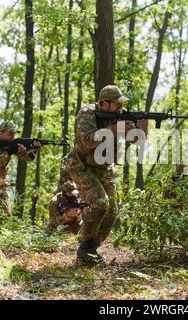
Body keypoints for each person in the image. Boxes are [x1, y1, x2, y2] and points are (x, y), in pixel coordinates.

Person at [64, 85, 148, 266]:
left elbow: (136, 140)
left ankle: (91, 250)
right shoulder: (87, 113)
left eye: (121, 104)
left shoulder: (120, 114)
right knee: (100, 204)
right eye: (117, 104)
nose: (120, 108)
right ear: (104, 103)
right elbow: (86, 140)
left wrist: (141, 130)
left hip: (104, 166)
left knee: (112, 211)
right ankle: (85, 247)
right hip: (82, 164)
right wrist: (114, 130)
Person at [0, 121, 42, 233]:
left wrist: (34, 148)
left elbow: (28, 157)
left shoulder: (11, 144)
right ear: (1, 132)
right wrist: (7, 153)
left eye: (14, 134)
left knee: (6, 213)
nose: (13, 137)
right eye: (10, 134)